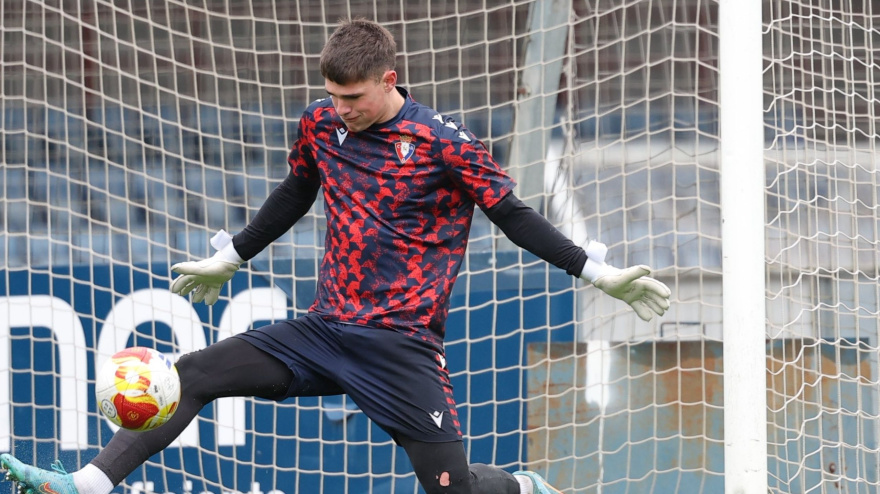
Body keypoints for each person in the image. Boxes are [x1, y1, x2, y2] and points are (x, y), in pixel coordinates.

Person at [1, 18, 670, 494]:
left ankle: (523, 486)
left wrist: (599, 273)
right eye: (333, 95)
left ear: (388, 80)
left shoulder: (446, 145)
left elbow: (515, 217)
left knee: (453, 489)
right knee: (192, 374)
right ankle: (88, 482)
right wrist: (230, 256)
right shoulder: (322, 125)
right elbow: (296, 190)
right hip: (322, 330)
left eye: (353, 97)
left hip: (400, 345)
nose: (340, 108)